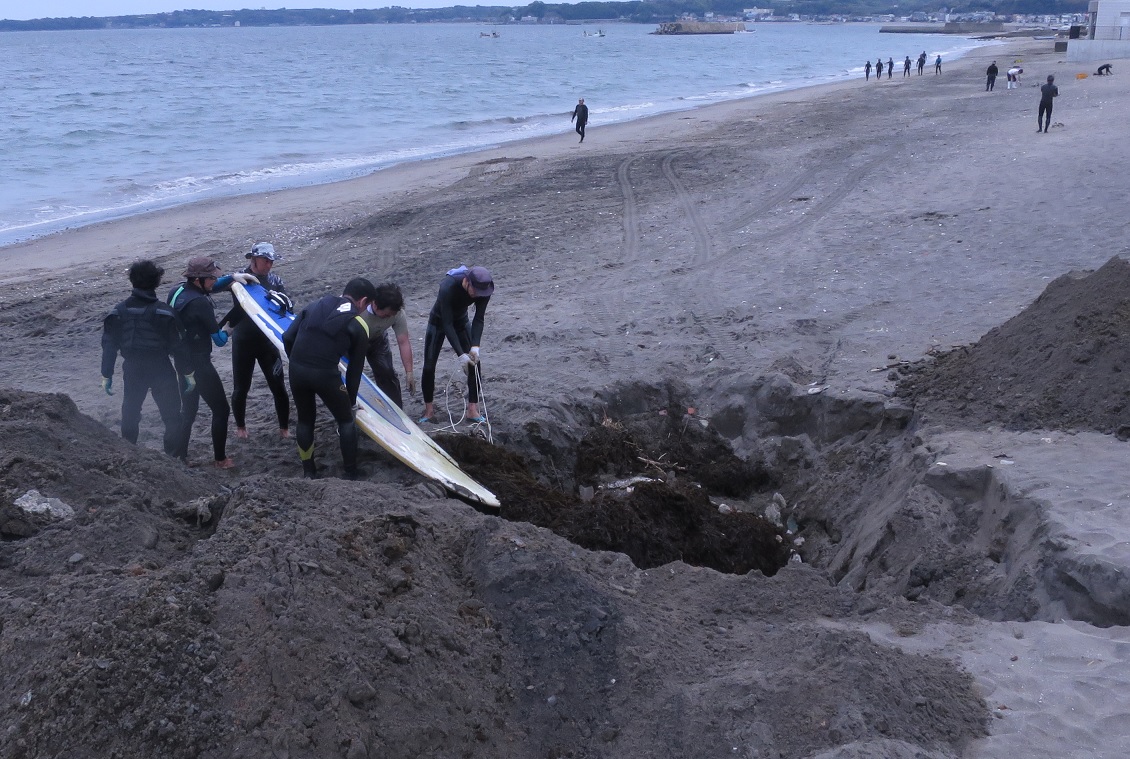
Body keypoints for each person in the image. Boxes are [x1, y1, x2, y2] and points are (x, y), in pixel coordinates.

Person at [283, 277, 377, 480]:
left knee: (305, 420)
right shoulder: (358, 323)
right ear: (363, 301)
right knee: (345, 421)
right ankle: (350, 472)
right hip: (325, 374)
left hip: (297, 370)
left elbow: (287, 337)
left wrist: (298, 363)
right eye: (367, 306)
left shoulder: (315, 304)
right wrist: (350, 401)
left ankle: (309, 471)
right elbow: (355, 369)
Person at [168, 256, 256, 468]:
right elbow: (218, 341)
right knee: (221, 410)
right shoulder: (200, 303)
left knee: (188, 411)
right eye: (210, 279)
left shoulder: (177, 291)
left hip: (182, 363)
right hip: (200, 366)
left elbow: (212, 286)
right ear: (198, 280)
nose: (213, 282)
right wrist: (230, 327)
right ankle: (220, 459)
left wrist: (231, 278)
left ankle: (178, 457)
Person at [100, 259, 190, 457]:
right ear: (157, 282)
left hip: (132, 369)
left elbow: (109, 344)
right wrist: (188, 373)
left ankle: (129, 454)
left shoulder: (118, 312)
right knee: (172, 417)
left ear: (132, 281)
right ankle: (173, 458)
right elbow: (179, 348)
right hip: (161, 369)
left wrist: (106, 374)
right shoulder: (165, 313)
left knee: (130, 413)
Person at [218, 242, 292, 440]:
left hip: (267, 342)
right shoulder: (238, 279)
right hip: (243, 341)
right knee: (241, 387)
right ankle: (241, 427)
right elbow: (214, 286)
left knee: (279, 387)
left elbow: (285, 309)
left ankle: (284, 428)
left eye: (271, 261)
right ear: (253, 259)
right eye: (265, 260)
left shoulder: (275, 281)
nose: (269, 265)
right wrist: (231, 280)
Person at [418, 265, 493, 426]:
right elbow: (447, 323)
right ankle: (428, 410)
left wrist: (475, 347)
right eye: (475, 291)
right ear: (467, 282)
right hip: (439, 321)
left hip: (461, 320)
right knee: (429, 366)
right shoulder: (448, 286)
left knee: (475, 363)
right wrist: (461, 355)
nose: (477, 296)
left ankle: (472, 409)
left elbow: (479, 319)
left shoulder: (485, 288)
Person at [362, 282, 416, 410]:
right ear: (374, 304)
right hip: (353, 341)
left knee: (387, 372)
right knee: (351, 375)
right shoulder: (359, 310)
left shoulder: (396, 313)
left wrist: (409, 372)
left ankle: (396, 411)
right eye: (386, 315)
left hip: (377, 340)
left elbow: (403, 342)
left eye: (391, 315)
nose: (389, 318)